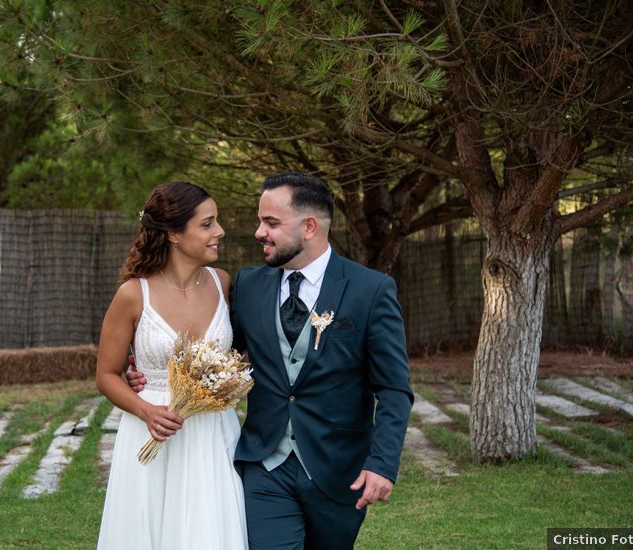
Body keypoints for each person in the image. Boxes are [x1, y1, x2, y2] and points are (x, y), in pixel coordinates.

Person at [128, 173, 413, 549]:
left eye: (271, 223)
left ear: (309, 227)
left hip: (337, 469)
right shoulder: (247, 285)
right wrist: (153, 372)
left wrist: (381, 464)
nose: (258, 232)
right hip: (264, 467)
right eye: (261, 221)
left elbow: (393, 389)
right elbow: (219, 356)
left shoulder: (370, 290)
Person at [95, 181, 248, 550]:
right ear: (175, 234)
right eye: (208, 224)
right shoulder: (133, 294)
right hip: (153, 431)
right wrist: (146, 411)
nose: (220, 232)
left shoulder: (222, 283)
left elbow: (239, 356)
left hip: (213, 431)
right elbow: (106, 375)